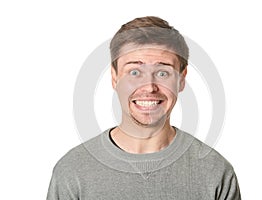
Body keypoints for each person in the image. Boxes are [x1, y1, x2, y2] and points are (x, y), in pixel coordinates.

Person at [47, 16, 241, 200]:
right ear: (114, 78)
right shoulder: (72, 171)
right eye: (134, 71)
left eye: (163, 72)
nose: (149, 86)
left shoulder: (216, 172)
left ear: (181, 80)